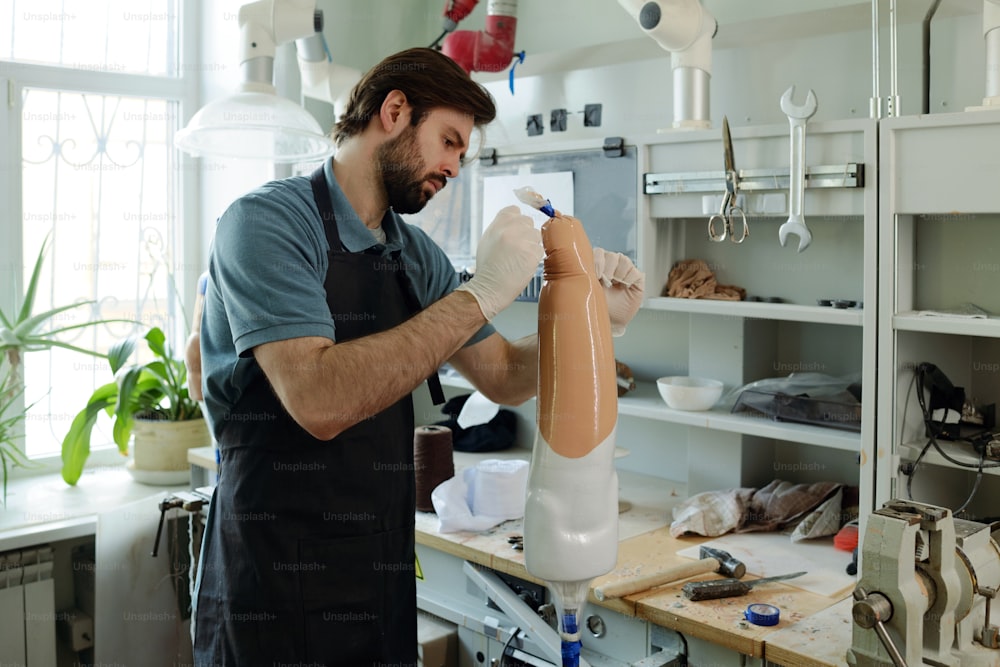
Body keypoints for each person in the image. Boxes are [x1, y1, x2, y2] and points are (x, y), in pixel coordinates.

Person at [190, 46, 644, 666]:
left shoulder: (415, 254)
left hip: (375, 572)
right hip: (270, 579)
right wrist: (482, 292)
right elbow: (320, 399)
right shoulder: (266, 224)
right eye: (450, 141)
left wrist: (595, 323)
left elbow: (507, 377)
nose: (455, 166)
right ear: (396, 110)